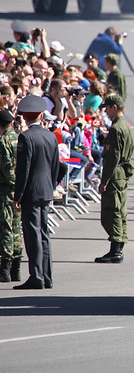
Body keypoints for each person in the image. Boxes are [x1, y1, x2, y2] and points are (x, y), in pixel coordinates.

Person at [12, 95, 60, 289]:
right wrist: (52, 186)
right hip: (46, 190)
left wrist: (18, 196)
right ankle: (47, 276)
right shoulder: (50, 136)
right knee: (44, 233)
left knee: (32, 235)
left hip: (31, 192)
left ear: (25, 117)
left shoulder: (25, 137)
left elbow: (24, 170)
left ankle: (36, 276)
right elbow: (57, 166)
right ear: (41, 115)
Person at [95, 95, 134, 264]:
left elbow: (112, 157)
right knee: (120, 210)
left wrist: (104, 181)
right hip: (122, 171)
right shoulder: (125, 126)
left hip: (115, 173)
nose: (106, 111)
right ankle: (118, 246)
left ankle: (115, 250)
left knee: (113, 211)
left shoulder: (117, 128)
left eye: (108, 107)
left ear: (115, 107)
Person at [0, 109, 22, 283]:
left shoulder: (3, 141)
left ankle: (5, 270)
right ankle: (16, 269)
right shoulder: (19, 138)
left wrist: (12, 186)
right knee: (16, 229)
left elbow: (7, 169)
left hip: (7, 190)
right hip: (19, 191)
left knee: (6, 228)